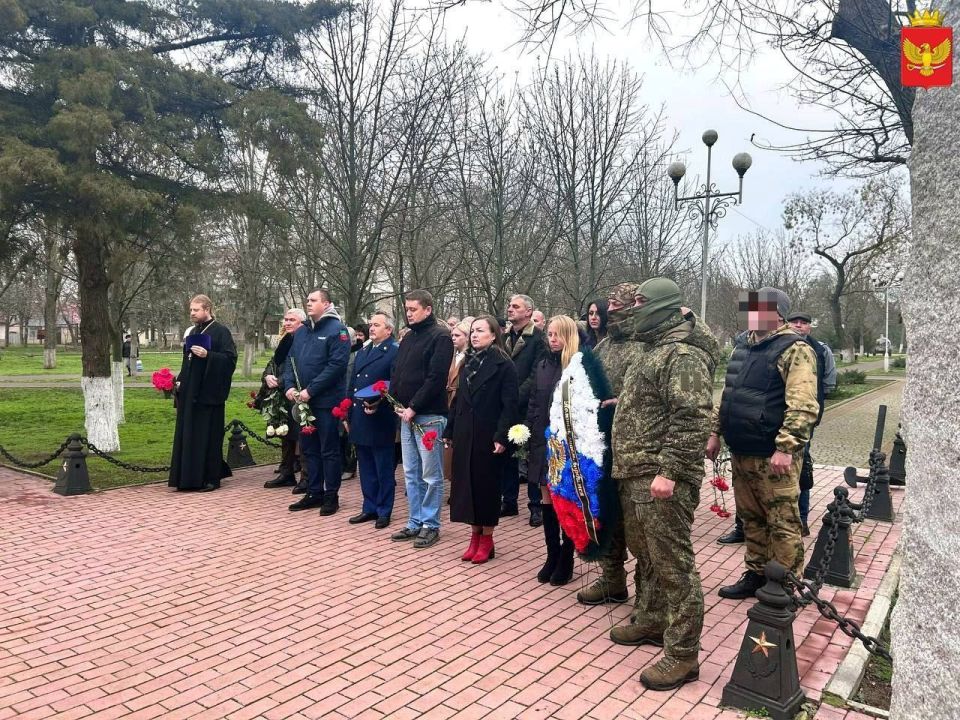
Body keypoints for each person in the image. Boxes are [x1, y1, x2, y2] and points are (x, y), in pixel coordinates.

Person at [605, 278, 720, 691]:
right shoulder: (654, 350)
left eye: (639, 301)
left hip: (661, 479)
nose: (631, 308)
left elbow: (691, 419)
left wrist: (669, 472)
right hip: (637, 473)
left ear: (664, 306)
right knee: (648, 557)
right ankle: (652, 619)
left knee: (675, 567)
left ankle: (683, 654)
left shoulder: (683, 355)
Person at [707, 287, 819, 600]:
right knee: (752, 519)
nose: (750, 314)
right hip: (742, 451)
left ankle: (787, 583)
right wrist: (715, 432)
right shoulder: (743, 347)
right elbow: (728, 395)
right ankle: (756, 574)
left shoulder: (795, 349)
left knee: (782, 522)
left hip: (773, 455)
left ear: (777, 313)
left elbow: (803, 404)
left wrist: (785, 447)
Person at [575, 282, 640, 606]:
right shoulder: (602, 348)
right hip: (602, 447)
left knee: (637, 527)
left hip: (632, 448)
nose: (609, 310)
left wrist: (622, 401)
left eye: (617, 304)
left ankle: (649, 597)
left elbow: (649, 394)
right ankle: (612, 580)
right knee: (606, 517)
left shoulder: (642, 347)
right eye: (609, 304)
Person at [444, 316, 519, 564]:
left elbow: (510, 405)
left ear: (493, 335)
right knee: (467, 486)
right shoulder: (467, 363)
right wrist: (450, 430)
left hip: (488, 435)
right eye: (473, 331)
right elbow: (458, 401)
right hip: (466, 433)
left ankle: (487, 538)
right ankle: (474, 535)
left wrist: (501, 436)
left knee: (485, 487)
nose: (475, 335)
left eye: (480, 331)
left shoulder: (504, 365)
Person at [389, 289, 454, 549]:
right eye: (407, 309)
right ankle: (414, 521)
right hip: (405, 415)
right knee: (411, 472)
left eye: (413, 309)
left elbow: (436, 378)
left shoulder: (441, 337)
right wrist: (392, 399)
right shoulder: (408, 338)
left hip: (428, 417)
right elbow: (398, 372)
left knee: (431, 474)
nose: (409, 313)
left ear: (428, 309)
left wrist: (414, 406)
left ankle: (431, 524)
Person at [284, 289, 350, 516]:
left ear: (327, 303)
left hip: (325, 402)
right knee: (309, 449)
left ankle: (331, 495)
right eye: (308, 300)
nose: (308, 304)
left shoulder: (337, 330)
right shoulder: (302, 332)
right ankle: (314, 492)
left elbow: (337, 366)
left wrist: (310, 391)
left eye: (313, 300)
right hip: (304, 403)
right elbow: (290, 361)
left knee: (328, 449)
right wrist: (290, 386)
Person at [526, 315, 578, 584]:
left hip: (567, 443)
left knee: (564, 500)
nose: (553, 339)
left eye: (558, 334)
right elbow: (535, 400)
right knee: (546, 497)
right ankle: (552, 554)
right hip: (542, 440)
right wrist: (531, 428)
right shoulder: (543, 364)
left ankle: (567, 557)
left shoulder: (578, 366)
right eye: (550, 334)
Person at [168, 294, 237, 492]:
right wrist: (179, 381)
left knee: (208, 436)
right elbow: (187, 361)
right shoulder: (192, 332)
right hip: (190, 393)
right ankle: (186, 478)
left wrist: (209, 356)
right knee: (189, 434)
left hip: (209, 394)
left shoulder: (221, 331)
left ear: (207, 309)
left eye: (196, 310)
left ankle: (210, 478)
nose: (192, 313)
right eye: (191, 310)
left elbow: (230, 359)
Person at [348, 312, 400, 529]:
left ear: (388, 330)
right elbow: (352, 383)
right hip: (360, 413)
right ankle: (369, 506)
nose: (372, 328)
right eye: (371, 324)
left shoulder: (394, 352)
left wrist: (379, 401)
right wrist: (347, 412)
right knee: (366, 465)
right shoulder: (363, 351)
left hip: (380, 415)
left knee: (383, 467)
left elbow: (395, 384)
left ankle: (383, 509)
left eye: (377, 325)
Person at [787, 310, 836, 536]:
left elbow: (827, 385)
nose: (799, 326)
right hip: (778, 417)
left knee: (802, 467)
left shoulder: (821, 349)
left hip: (805, 419)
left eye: (803, 323)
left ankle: (802, 519)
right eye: (794, 322)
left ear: (810, 327)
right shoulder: (779, 345)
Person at [500, 294, 548, 526]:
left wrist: (514, 397)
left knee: (528, 456)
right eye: (509, 306)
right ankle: (508, 501)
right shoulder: (504, 337)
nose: (510, 309)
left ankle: (536, 505)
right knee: (508, 455)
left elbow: (535, 375)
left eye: (515, 306)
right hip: (506, 407)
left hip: (527, 406)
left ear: (528, 312)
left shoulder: (538, 339)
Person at [259, 309, 306, 489]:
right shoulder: (285, 340)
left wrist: (281, 381)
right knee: (284, 434)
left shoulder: (304, 340)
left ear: (301, 322)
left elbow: (300, 368)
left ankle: (306, 477)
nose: (286, 323)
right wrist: (268, 376)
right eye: (285, 320)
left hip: (297, 393)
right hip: (281, 395)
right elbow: (274, 363)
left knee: (302, 437)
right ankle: (286, 473)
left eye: (291, 320)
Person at [443, 319, 471, 484]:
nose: (453, 338)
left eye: (457, 335)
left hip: (458, 397)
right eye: (452, 335)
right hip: (448, 397)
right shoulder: (453, 355)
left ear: (466, 337)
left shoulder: (469, 358)